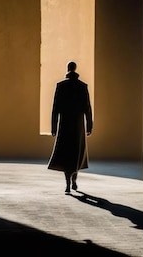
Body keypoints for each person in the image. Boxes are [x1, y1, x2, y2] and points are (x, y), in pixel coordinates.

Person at [47, 61, 93, 194]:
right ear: (75, 69)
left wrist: (54, 127)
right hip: (78, 125)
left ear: (67, 69)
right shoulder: (82, 86)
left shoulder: (61, 86)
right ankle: (74, 179)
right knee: (76, 153)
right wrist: (89, 125)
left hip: (65, 124)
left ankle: (67, 183)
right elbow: (87, 108)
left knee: (66, 153)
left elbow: (55, 109)